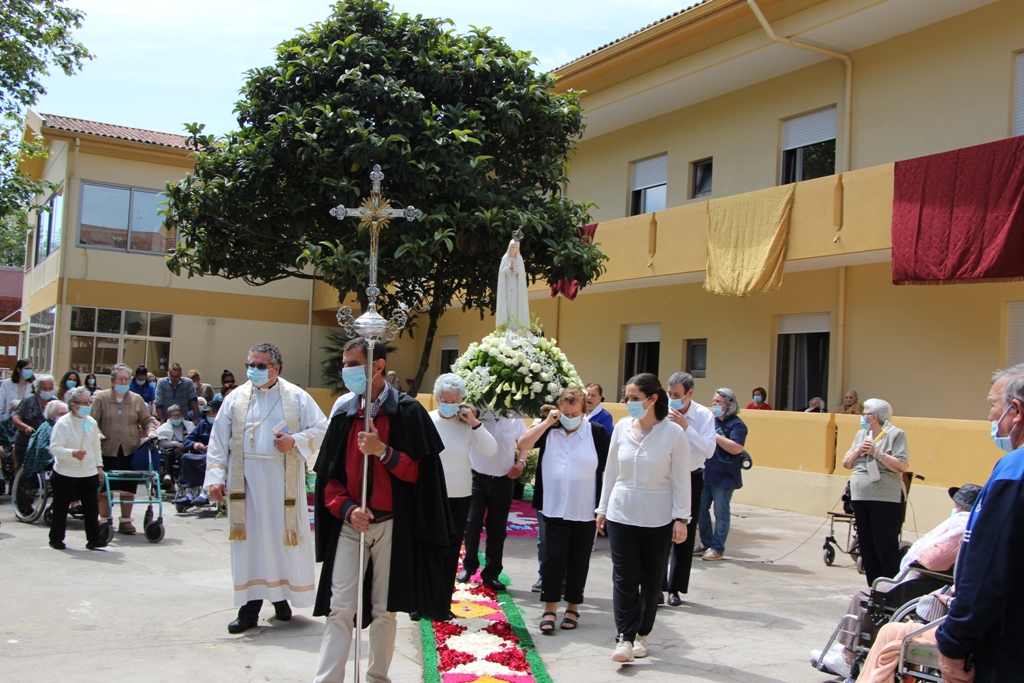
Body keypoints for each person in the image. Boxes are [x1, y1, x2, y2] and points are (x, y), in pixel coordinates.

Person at [312, 337, 452, 683]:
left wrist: (382, 452)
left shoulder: (407, 412)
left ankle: (377, 678)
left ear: (376, 366)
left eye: (351, 364)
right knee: (340, 607)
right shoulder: (345, 412)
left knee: (385, 610)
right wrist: (346, 509)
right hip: (351, 525)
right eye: (344, 364)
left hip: (392, 525)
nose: (345, 370)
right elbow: (328, 478)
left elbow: (424, 476)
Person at [204, 342, 328, 633]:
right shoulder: (234, 399)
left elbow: (323, 428)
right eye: (251, 365)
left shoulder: (296, 397)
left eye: (261, 365)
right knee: (251, 545)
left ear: (277, 368)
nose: (254, 370)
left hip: (282, 482)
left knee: (279, 542)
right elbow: (218, 442)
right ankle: (250, 609)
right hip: (244, 483)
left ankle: (281, 597)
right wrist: (215, 479)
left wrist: (294, 441)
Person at [813, 483, 980, 679]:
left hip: (931, 581)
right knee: (878, 590)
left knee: (868, 596)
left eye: (957, 504)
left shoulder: (960, 528)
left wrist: (915, 557)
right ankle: (850, 650)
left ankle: (849, 655)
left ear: (962, 507)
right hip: (933, 580)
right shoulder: (968, 526)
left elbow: (932, 561)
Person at [936, 366, 1024, 682]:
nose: (990, 417)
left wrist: (953, 644)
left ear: (1016, 410)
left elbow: (989, 570)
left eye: (993, 404)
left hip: (1008, 655)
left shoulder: (1015, 470)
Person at [596, 372, 690, 663]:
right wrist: (602, 509)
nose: (629, 404)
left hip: (657, 517)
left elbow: (680, 479)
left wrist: (681, 518)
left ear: (653, 399)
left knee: (650, 581)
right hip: (622, 513)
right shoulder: (622, 427)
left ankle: (642, 634)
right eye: (627, 398)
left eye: (635, 399)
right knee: (624, 578)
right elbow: (610, 471)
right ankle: (623, 637)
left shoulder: (673, 433)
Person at [518, 387, 609, 633]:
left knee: (578, 560)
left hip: (584, 507)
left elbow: (608, 470)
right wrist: (547, 422)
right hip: (554, 507)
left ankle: (573, 607)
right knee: (552, 558)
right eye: (565, 412)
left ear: (584, 411)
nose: (569, 417)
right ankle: (549, 607)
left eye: (574, 413)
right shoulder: (550, 432)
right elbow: (522, 443)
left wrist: (604, 506)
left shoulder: (597, 433)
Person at [429, 373, 498, 596]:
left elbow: (490, 450)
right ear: (437, 398)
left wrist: (474, 422)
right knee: (428, 549)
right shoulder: (427, 420)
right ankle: (422, 601)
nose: (449, 405)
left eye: (454, 401)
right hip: (432, 495)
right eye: (445, 401)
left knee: (451, 550)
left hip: (459, 495)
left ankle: (443, 601)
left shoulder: (466, 425)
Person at [841, 398, 909, 586]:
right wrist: (858, 451)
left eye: (865, 413)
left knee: (884, 545)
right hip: (861, 496)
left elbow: (902, 466)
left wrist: (877, 452)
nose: (862, 416)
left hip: (885, 498)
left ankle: (891, 589)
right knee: (867, 545)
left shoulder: (896, 434)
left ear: (875, 417)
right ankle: (874, 588)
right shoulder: (860, 435)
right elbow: (846, 463)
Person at [663, 372, 716, 606]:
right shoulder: (661, 410)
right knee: (659, 531)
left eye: (677, 395)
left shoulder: (703, 415)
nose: (672, 399)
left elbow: (709, 449)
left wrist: (686, 428)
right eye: (669, 393)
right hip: (664, 478)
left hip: (692, 478)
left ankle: (675, 588)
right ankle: (657, 585)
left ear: (690, 394)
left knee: (683, 533)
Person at [459, 415, 527, 591]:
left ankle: (492, 573)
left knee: (497, 529)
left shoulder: (514, 419)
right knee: (471, 523)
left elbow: (524, 443)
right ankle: (469, 566)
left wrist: (521, 463)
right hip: (476, 477)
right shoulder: (478, 416)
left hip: (504, 479)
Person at [91, 363, 159, 534]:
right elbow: (92, 421)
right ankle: (105, 520)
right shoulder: (101, 398)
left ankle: (126, 521)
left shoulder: (136, 400)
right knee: (106, 487)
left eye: (126, 379)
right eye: (120, 379)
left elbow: (148, 420)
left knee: (128, 487)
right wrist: (98, 435)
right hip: (107, 448)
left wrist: (151, 433)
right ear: (113, 381)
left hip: (130, 449)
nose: (123, 382)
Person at [47, 388, 105, 551]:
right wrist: (72, 453)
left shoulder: (91, 422)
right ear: (73, 405)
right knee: (61, 507)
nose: (88, 405)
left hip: (88, 472)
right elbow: (54, 448)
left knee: (91, 507)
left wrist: (99, 466)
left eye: (89, 402)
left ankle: (94, 539)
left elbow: (95, 447)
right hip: (65, 473)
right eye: (84, 402)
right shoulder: (63, 423)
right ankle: (56, 539)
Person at [694, 388, 748, 561]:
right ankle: (705, 542)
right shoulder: (712, 421)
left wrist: (715, 436)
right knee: (701, 509)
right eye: (714, 402)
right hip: (707, 472)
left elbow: (736, 447)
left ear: (729, 404)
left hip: (724, 476)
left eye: (718, 402)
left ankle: (717, 548)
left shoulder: (737, 425)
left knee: (721, 512)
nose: (715, 405)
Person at [180, 395, 220, 507]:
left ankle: (204, 492)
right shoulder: (203, 424)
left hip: (216, 454)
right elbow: (188, 440)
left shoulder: (224, 425)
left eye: (213, 413)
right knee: (186, 458)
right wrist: (195, 444)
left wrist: (212, 447)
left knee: (206, 461)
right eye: (209, 413)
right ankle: (188, 493)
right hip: (200, 452)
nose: (210, 415)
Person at [12, 374, 56, 470]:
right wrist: (25, 427)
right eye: (45, 388)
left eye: (50, 388)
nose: (48, 391)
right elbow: (16, 419)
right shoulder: (29, 400)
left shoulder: (55, 402)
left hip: (44, 445)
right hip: (25, 443)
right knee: (22, 470)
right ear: (38, 389)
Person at [156, 404, 193, 498]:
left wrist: (184, 445)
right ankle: (167, 476)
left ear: (182, 415)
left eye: (178, 415)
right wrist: (175, 444)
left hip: (185, 449)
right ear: (170, 417)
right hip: (170, 449)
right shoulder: (164, 427)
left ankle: (183, 480)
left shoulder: (189, 425)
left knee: (183, 456)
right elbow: (160, 443)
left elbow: (193, 438)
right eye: (174, 415)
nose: (176, 417)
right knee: (169, 454)